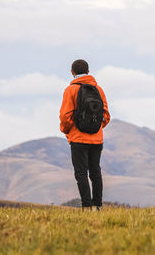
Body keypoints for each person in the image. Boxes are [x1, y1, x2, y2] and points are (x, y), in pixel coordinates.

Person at [59, 59, 110, 211]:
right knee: (96, 172)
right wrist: (96, 128)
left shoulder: (70, 90)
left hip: (78, 139)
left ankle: (86, 207)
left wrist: (67, 131)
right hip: (97, 138)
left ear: (72, 72)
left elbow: (65, 117)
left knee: (81, 173)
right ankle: (98, 206)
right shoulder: (99, 90)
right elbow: (106, 115)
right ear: (88, 71)